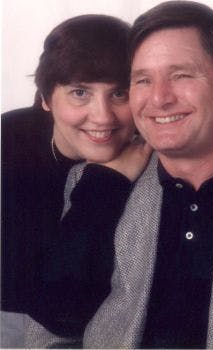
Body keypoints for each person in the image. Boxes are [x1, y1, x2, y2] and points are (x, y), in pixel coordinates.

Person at [26, 1, 213, 348]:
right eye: (142, 80)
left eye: (181, 75)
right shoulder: (96, 182)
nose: (159, 98)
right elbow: (50, 334)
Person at [1, 14, 152, 348]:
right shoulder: (8, 145)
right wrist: (107, 181)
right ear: (44, 98)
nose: (102, 117)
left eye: (119, 94)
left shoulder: (156, 145)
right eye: (80, 92)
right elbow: (47, 305)